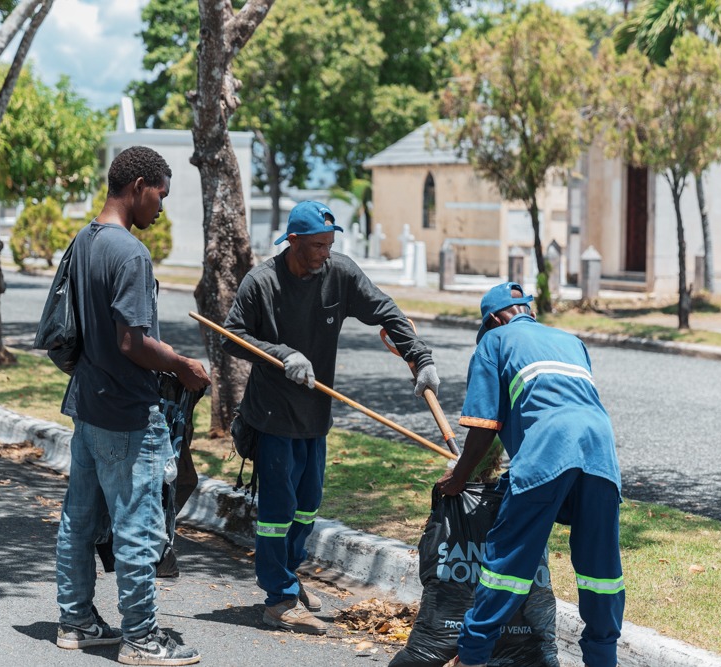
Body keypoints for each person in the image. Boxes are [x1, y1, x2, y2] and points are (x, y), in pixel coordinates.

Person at [221, 201, 441, 635]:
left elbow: (385, 310)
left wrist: (420, 358)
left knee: (306, 508)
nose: (325, 253)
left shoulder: (340, 273)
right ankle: (278, 598)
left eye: (330, 244)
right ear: (294, 240)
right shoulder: (261, 282)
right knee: (278, 510)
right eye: (318, 245)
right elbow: (234, 337)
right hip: (272, 415)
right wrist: (282, 355)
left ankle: (289, 574)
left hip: (314, 415)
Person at [54, 146, 210, 666]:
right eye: (161, 195)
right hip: (126, 412)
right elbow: (132, 343)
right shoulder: (130, 254)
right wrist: (182, 365)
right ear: (139, 184)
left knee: (78, 518)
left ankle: (76, 621)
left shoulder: (84, 240)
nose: (161, 208)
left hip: (88, 403)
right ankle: (141, 638)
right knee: (138, 527)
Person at [438, 282, 624, 667]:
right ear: (530, 312)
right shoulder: (570, 340)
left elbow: (485, 426)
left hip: (548, 448)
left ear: (492, 320)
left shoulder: (494, 341)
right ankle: (603, 660)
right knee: (600, 569)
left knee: (508, 560)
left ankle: (471, 657)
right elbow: (558, 403)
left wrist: (459, 477)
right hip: (601, 450)